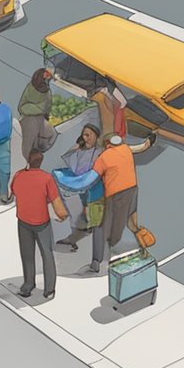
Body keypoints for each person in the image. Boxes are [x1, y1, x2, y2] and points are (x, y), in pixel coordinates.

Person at [11, 150, 67, 299]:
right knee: (47, 255)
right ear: (41, 162)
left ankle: (28, 285)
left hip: (23, 221)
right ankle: (49, 290)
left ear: (28, 160)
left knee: (27, 255)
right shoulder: (46, 179)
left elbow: (14, 191)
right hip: (42, 223)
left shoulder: (18, 176)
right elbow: (56, 201)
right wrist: (62, 215)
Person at [87, 134, 139, 274]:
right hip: (131, 189)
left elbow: (92, 176)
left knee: (103, 224)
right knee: (120, 222)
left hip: (114, 193)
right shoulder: (126, 150)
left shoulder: (104, 156)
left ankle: (97, 261)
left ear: (106, 144)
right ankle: (113, 247)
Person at [55, 124, 104, 253]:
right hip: (78, 183)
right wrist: (76, 147)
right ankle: (78, 231)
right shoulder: (78, 150)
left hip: (92, 184)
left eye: (89, 135)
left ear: (96, 136)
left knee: (91, 209)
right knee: (76, 208)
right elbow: (66, 159)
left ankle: (87, 231)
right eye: (84, 134)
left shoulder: (100, 152)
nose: (86, 137)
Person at [17, 69, 58, 157]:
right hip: (28, 119)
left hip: (41, 120)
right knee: (26, 146)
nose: (47, 78)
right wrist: (37, 109)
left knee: (52, 133)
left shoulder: (47, 92)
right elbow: (22, 107)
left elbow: (47, 108)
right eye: (46, 75)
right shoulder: (30, 88)